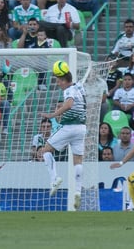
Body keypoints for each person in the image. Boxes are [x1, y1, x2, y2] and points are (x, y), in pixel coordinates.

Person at [40, 68, 86, 211]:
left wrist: (52, 115)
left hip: (69, 126)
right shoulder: (79, 88)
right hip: (81, 128)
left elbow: (69, 104)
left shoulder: (69, 90)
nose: (58, 83)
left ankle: (54, 179)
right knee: (77, 160)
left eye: (58, 80)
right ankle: (78, 191)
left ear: (64, 80)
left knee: (45, 150)